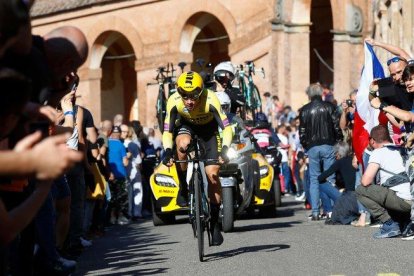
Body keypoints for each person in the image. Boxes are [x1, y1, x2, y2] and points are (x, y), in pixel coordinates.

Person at [162, 71, 233, 246]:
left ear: (201, 92)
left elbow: (226, 128)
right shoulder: (174, 100)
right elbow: (167, 131)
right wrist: (167, 151)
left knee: (213, 175)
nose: (189, 101)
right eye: (184, 96)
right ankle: (183, 189)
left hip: (209, 131)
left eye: (194, 96)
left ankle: (215, 224)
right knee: (182, 145)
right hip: (187, 126)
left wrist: (225, 149)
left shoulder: (211, 99)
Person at [356, 125, 412, 238]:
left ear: (372, 140)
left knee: (360, 190)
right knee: (390, 189)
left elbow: (366, 181)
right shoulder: (401, 149)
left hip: (402, 201)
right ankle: (404, 221)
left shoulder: (378, 152)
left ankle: (388, 223)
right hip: (411, 198)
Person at [299, 83, 343, 220]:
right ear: (321, 93)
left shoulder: (304, 110)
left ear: (309, 95)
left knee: (314, 179)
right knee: (330, 178)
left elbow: (302, 131)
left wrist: (306, 146)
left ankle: (316, 211)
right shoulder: (330, 107)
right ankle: (330, 210)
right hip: (328, 144)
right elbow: (336, 126)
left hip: (312, 146)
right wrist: (338, 141)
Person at [318, 142, 359, 225]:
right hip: (358, 195)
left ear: (339, 153)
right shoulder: (353, 160)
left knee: (321, 184)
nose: (334, 155)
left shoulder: (340, 162)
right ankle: (329, 211)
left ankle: (329, 211)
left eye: (335, 153)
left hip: (349, 197)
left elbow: (320, 177)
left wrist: (331, 183)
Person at [107, 125, 129, 225]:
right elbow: (125, 162)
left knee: (111, 197)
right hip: (120, 174)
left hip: (109, 174)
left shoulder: (106, 143)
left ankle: (111, 217)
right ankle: (120, 217)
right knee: (121, 197)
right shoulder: (121, 144)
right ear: (119, 134)